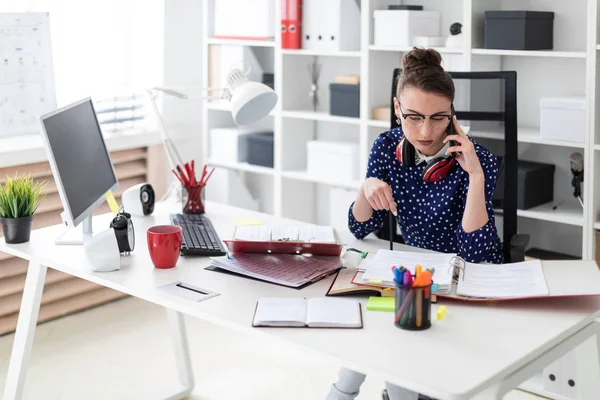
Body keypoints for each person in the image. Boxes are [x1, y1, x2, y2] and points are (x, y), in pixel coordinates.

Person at [326, 48, 503, 400]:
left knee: (393, 329)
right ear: (396, 109)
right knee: (383, 320)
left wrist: (476, 176)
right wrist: (366, 189)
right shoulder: (386, 146)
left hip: (466, 280)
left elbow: (473, 252)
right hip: (414, 270)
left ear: (453, 115)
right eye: (413, 117)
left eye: (439, 118)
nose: (425, 131)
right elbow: (360, 227)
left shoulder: (478, 158)